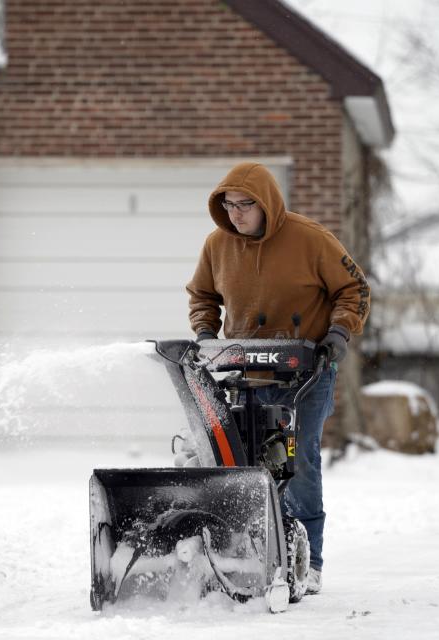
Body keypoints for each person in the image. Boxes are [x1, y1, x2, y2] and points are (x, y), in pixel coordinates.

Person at [186, 161, 370, 594]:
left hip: (307, 367)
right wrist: (207, 335)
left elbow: (354, 289)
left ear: (267, 202)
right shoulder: (217, 245)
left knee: (297, 459)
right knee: (239, 455)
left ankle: (311, 561)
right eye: (229, 206)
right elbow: (202, 296)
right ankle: (246, 552)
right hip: (243, 368)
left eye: (245, 205)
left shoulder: (311, 239)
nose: (236, 215)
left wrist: (338, 334)